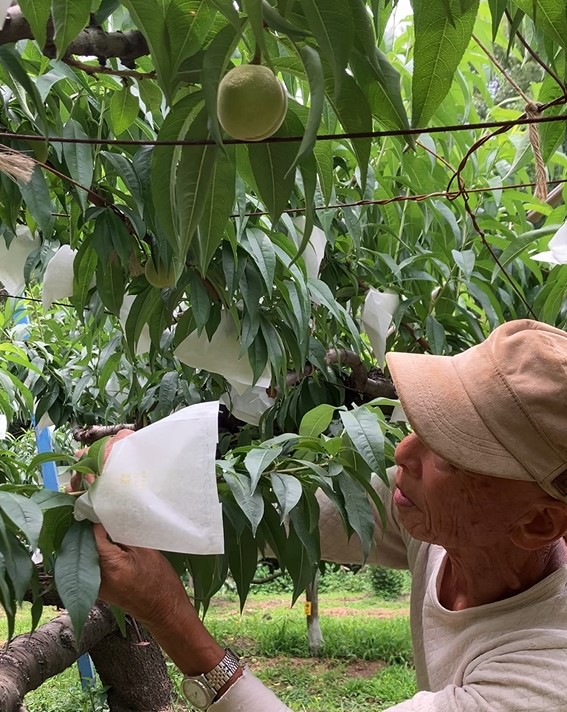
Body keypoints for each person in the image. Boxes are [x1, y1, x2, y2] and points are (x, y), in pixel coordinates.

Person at [92, 319, 567, 711]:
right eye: (424, 425)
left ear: (539, 524)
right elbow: (284, 518)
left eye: (450, 454)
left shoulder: (544, 679)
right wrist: (144, 485)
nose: (403, 452)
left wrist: (167, 613)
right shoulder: (446, 520)